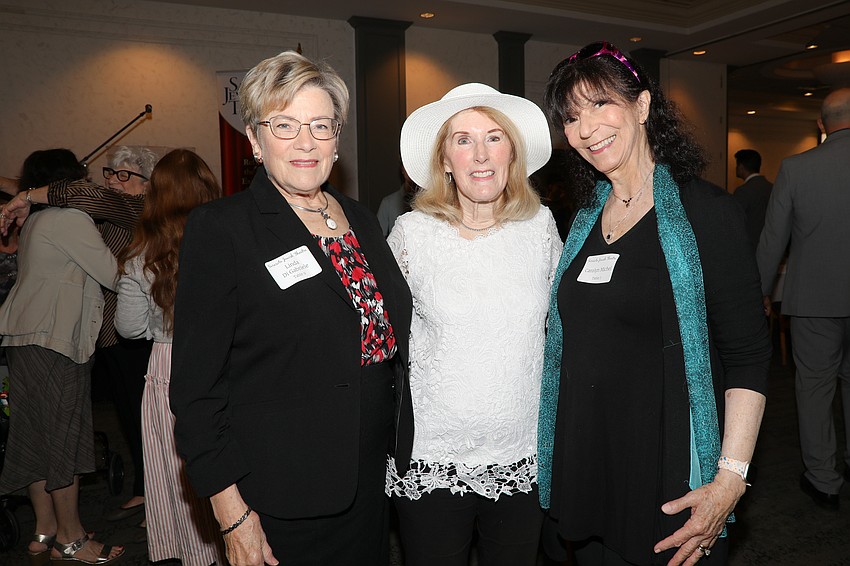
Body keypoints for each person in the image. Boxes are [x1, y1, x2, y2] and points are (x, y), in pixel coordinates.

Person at [168, 50, 413, 566]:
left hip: (371, 481)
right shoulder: (223, 229)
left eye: (321, 126)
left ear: (337, 140)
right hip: (279, 495)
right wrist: (231, 513)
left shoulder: (363, 221)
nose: (306, 142)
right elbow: (195, 393)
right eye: (285, 125)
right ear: (255, 140)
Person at [539, 42, 771, 565]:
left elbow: (748, 356)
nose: (587, 127)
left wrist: (731, 478)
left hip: (663, 468)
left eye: (601, 104)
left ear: (642, 107)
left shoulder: (705, 212)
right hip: (591, 465)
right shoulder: (582, 222)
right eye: (572, 117)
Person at [386, 83, 562, 566]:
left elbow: (565, 330)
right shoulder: (411, 234)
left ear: (512, 153)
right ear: (444, 160)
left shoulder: (541, 226)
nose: (480, 155)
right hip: (433, 453)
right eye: (463, 140)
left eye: (494, 137)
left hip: (522, 453)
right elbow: (379, 339)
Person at [1, 145, 159, 523]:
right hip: (58, 336)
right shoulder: (72, 218)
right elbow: (111, 275)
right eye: (109, 173)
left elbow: (81, 195)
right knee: (61, 434)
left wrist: (23, 195)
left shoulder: (117, 209)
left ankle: (48, 531)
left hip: (54, 334)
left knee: (41, 434)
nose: (110, 182)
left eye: (124, 175)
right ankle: (68, 536)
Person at [115, 149, 225, 565]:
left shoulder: (143, 255)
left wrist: (159, 331)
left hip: (167, 365)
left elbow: (127, 328)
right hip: (222, 362)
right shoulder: (225, 241)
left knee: (172, 471)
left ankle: (193, 553)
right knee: (222, 463)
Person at [757, 87, 850, 511]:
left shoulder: (796, 168)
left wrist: (760, 292)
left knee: (813, 388)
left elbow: (773, 239)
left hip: (813, 299)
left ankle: (824, 480)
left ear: (820, 125)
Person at [732, 149, 772, 248]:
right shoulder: (772, 188)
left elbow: (734, 221)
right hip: (769, 245)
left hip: (749, 246)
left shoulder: (742, 191)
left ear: (741, 167)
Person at [376, 166, 416, 237]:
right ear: (402, 170)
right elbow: (378, 236)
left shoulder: (428, 204)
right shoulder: (388, 202)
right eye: (407, 167)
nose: (410, 171)